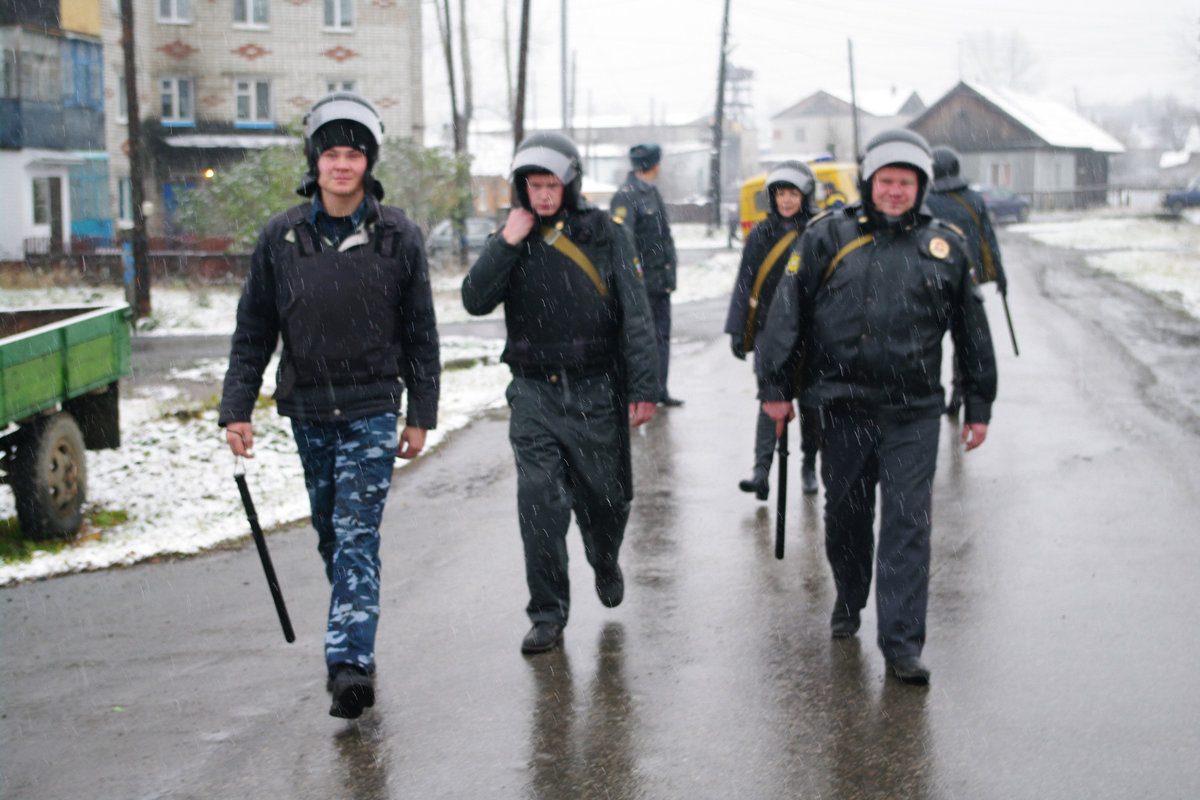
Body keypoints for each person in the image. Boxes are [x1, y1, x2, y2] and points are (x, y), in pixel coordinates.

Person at [218, 91, 440, 718]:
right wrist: (237, 407)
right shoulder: (281, 238)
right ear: (314, 162)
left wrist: (420, 412)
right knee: (330, 533)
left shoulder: (398, 236)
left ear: (369, 164)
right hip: (309, 409)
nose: (342, 165)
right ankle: (353, 629)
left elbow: (422, 332)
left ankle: (349, 665)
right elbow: (254, 329)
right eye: (331, 154)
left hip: (372, 405)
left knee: (355, 535)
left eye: (354, 154)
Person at [756, 129, 997, 685]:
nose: (895, 192)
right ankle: (849, 595)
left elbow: (972, 332)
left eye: (905, 183)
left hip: (913, 411)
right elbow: (787, 314)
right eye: (886, 181)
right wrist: (775, 388)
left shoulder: (945, 246)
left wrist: (978, 403)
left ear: (921, 187)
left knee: (908, 524)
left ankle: (902, 643)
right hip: (842, 407)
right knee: (847, 518)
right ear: (869, 183)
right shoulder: (826, 238)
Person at [462, 132, 660, 656]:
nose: (543, 195)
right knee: (539, 504)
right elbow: (474, 299)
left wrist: (644, 386)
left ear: (570, 183)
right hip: (533, 392)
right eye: (534, 185)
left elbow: (636, 314)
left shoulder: (606, 234)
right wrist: (507, 241)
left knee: (607, 499)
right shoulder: (510, 234)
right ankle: (547, 613)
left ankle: (604, 555)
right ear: (521, 186)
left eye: (552, 185)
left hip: (596, 389)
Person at [724, 161, 821, 499]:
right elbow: (744, 283)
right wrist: (737, 329)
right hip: (769, 329)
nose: (786, 200)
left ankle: (809, 463)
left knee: (812, 404)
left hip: (809, 331)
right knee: (770, 399)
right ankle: (761, 471)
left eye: (793, 193)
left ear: (804, 195)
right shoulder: (761, 235)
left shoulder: (818, 231)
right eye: (781, 193)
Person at [923, 145, 1010, 417]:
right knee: (965, 341)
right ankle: (959, 392)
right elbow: (989, 240)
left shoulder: (926, 201)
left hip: (931, 281)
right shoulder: (974, 199)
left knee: (930, 340)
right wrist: (999, 274)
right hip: (966, 278)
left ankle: (930, 392)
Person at [611, 143, 682, 406]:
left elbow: (664, 239)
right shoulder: (626, 196)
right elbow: (622, 243)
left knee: (661, 338)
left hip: (659, 283)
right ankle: (642, 393)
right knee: (643, 342)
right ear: (655, 165)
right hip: (641, 285)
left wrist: (669, 276)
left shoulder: (652, 193)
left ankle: (660, 390)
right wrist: (632, 282)